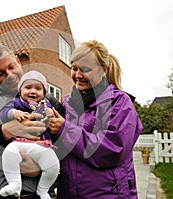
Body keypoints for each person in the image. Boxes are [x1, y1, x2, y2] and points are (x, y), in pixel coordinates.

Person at [0, 44, 63, 199]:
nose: (9, 75)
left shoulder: (49, 101)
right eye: (1, 73)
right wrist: (4, 132)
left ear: (18, 61)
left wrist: (44, 166)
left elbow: (68, 144)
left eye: (11, 66)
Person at [49, 40, 143, 198]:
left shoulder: (119, 103)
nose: (78, 75)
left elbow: (113, 150)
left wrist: (64, 130)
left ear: (104, 70)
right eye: (74, 68)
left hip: (108, 194)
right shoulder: (68, 105)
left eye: (85, 69)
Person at [0, 70, 60, 199]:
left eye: (38, 89)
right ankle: (15, 184)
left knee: (53, 166)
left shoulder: (46, 105)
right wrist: (14, 113)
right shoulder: (16, 103)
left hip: (42, 145)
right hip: (20, 143)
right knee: (9, 153)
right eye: (28, 87)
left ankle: (43, 190)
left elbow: (53, 120)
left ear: (44, 93)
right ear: (20, 90)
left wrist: (49, 114)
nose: (33, 91)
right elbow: (3, 112)